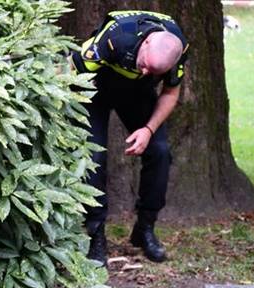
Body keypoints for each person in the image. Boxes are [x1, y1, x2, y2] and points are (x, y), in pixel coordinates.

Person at [70, 10, 189, 266]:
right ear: (145, 43)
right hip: (93, 89)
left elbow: (170, 93)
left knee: (160, 152)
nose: (145, 71)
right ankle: (95, 233)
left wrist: (148, 130)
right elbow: (72, 74)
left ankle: (145, 228)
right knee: (93, 157)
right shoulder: (115, 37)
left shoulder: (176, 47)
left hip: (136, 94)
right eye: (145, 64)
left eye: (153, 71)